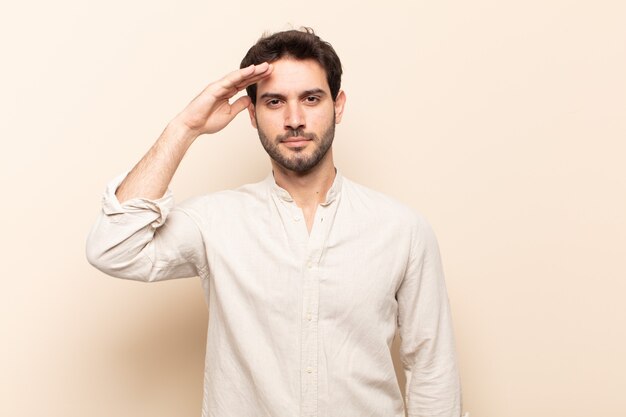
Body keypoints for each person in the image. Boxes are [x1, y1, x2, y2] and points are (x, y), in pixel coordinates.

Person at [86, 27, 464, 417]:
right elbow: (113, 247)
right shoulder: (216, 223)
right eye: (274, 102)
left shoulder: (402, 230)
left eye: (311, 99)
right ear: (251, 114)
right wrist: (186, 127)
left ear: (338, 105)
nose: (294, 119)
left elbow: (433, 370)